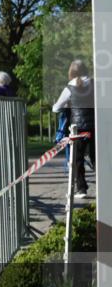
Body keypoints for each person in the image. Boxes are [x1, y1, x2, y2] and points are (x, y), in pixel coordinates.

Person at [52, 60, 95, 199]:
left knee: (77, 159)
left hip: (78, 128)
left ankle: (81, 189)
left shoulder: (69, 88)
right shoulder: (95, 83)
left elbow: (56, 108)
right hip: (95, 126)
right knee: (97, 158)